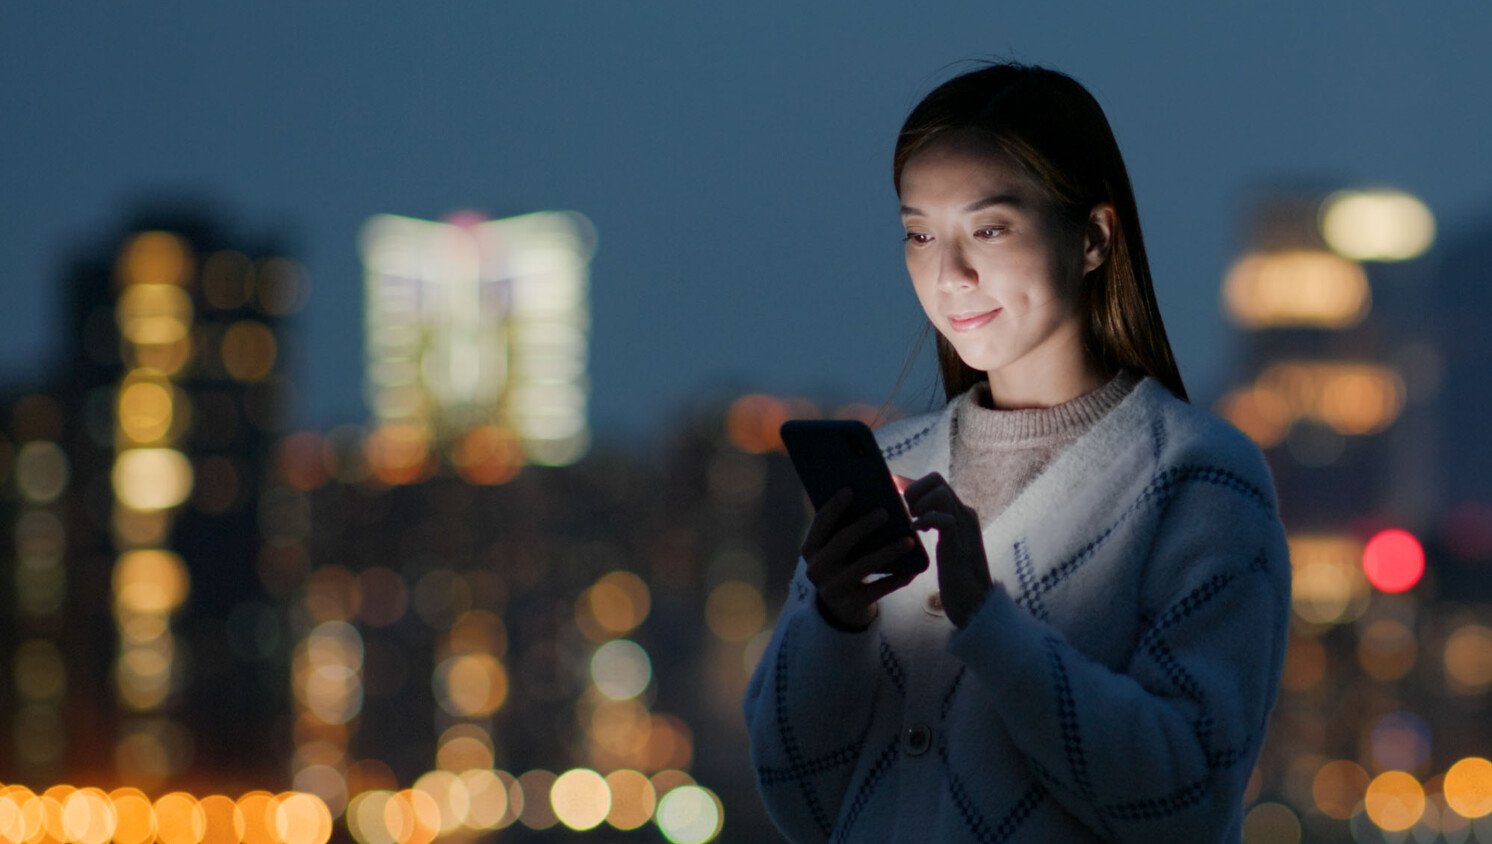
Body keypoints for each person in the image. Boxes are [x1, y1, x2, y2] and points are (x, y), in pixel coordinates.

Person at [742, 62, 1291, 843]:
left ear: (1094, 237)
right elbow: (797, 799)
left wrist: (988, 622)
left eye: (990, 229)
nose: (950, 273)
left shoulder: (1197, 482)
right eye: (920, 233)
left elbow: (1187, 802)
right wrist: (835, 620)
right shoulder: (893, 465)